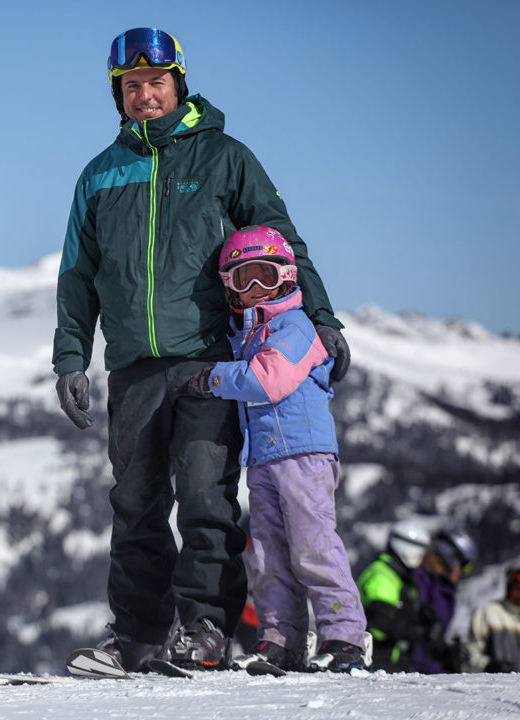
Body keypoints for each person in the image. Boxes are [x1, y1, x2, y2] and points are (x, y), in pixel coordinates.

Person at [52, 26, 349, 671]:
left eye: (156, 83)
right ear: (118, 94)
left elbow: (283, 243)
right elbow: (77, 274)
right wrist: (71, 356)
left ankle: (207, 629)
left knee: (207, 497)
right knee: (133, 504)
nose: (145, 96)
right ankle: (134, 638)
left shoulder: (225, 158)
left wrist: (321, 319)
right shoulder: (100, 174)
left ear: (178, 82)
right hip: (133, 365)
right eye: (131, 86)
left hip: (212, 359)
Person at [185, 225, 367, 672]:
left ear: (287, 277)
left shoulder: (297, 326)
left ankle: (344, 637)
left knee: (313, 546)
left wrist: (212, 377)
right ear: (229, 288)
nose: (255, 289)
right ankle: (280, 638)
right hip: (264, 460)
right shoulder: (243, 333)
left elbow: (268, 380)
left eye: (265, 276)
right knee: (266, 554)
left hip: (304, 455)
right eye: (243, 279)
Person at [358, 522, 477, 673]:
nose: (423, 559)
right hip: (381, 665)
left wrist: (443, 651)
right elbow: (379, 625)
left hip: (398, 665)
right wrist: (418, 630)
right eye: (421, 554)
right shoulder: (385, 577)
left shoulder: (402, 578)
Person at [464, 562, 520, 673]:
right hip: (491, 686)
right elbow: (470, 651)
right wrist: (488, 666)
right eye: (517, 588)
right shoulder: (489, 613)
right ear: (509, 587)